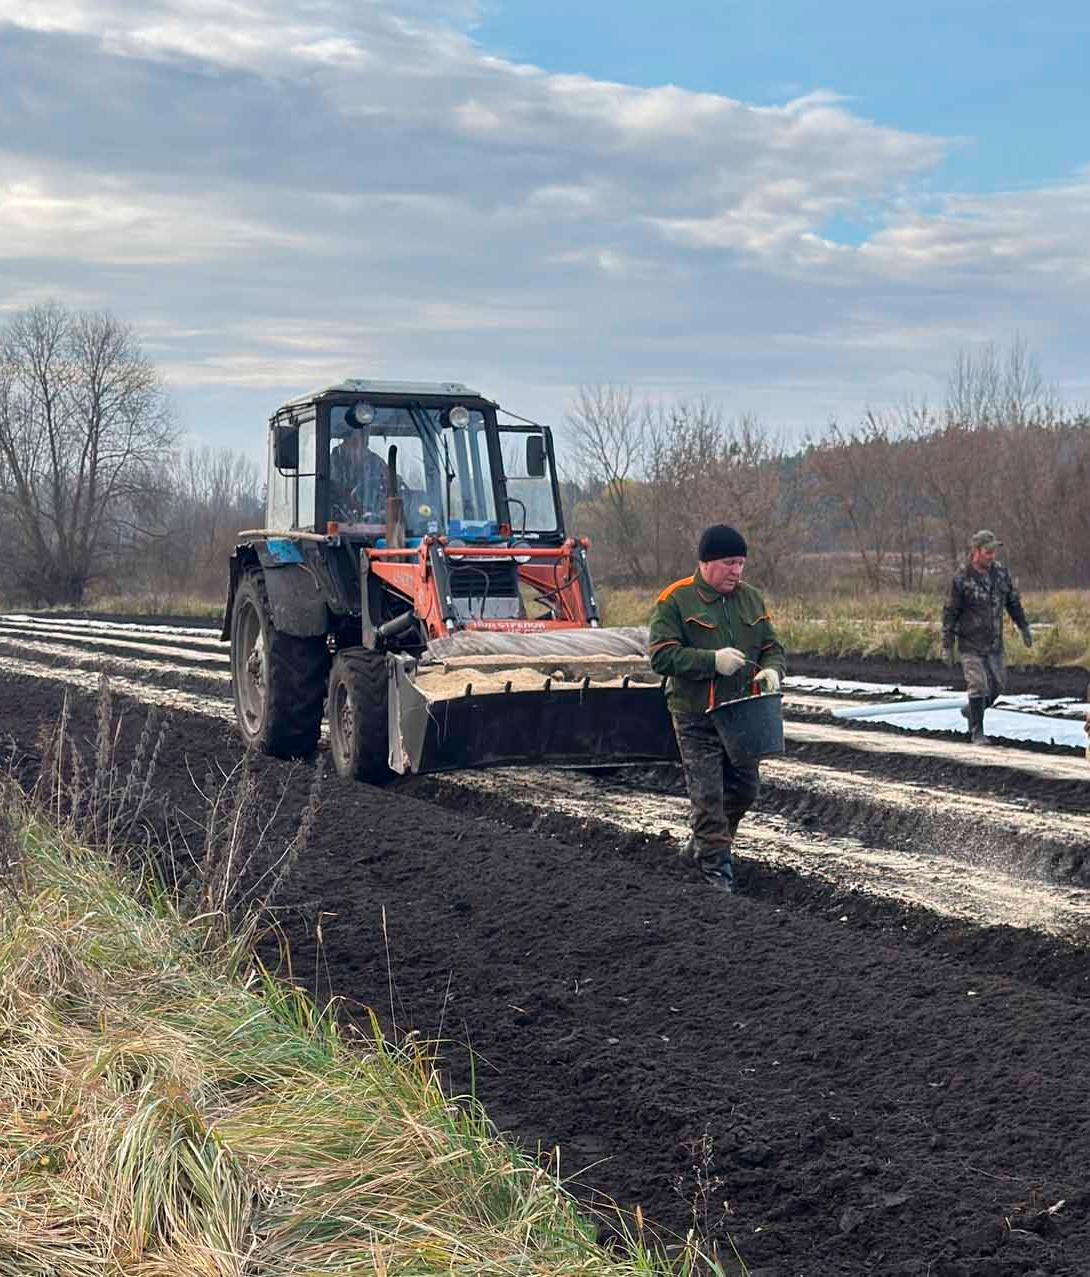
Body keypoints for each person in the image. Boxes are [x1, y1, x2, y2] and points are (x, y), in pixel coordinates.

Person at [648, 524, 785, 893]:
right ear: (706, 563)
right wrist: (712, 661)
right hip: (695, 713)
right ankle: (716, 876)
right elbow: (661, 657)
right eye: (728, 563)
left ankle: (702, 847)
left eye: (740, 563)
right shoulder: (676, 600)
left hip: (741, 713)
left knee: (744, 790)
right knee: (708, 796)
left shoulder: (751, 599)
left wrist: (773, 669)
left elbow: (771, 646)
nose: (736, 571)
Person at [941, 529, 1032, 745]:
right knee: (978, 685)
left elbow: (1012, 602)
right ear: (976, 552)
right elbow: (950, 612)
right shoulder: (962, 578)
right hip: (970, 643)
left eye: (993, 552)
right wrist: (947, 644)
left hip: (994, 643)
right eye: (988, 552)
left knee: (998, 686)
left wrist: (1023, 626)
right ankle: (977, 732)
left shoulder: (1001, 574)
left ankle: (972, 711)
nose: (992, 556)